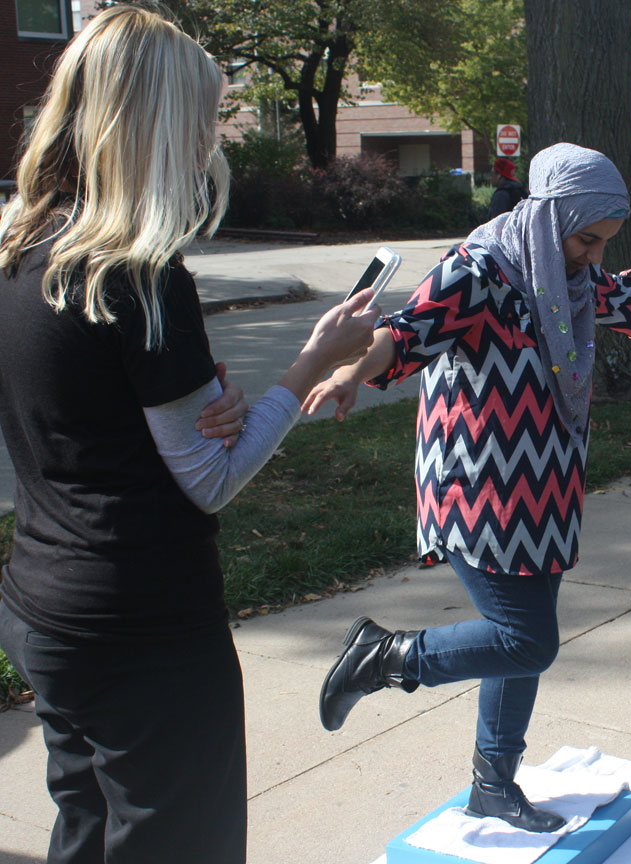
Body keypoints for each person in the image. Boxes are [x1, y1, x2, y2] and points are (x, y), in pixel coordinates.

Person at [0, 8, 378, 863]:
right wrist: (309, 365)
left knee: (87, 831)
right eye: (203, 115)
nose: (212, 135)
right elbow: (210, 479)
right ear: (156, 122)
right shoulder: (136, 275)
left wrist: (185, 408)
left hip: (41, 609)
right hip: (143, 627)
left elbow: (83, 416)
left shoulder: (22, 248)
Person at [310, 142, 631, 832]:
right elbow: (405, 331)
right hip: (478, 485)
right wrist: (346, 374)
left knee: (519, 644)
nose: (593, 255)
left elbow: (621, 294)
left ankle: (492, 784)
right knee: (527, 640)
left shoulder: (563, 277)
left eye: (603, 242)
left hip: (543, 487)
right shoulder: (479, 270)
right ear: (550, 218)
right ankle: (386, 658)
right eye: (587, 239)